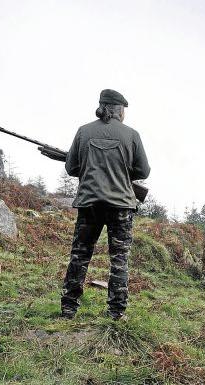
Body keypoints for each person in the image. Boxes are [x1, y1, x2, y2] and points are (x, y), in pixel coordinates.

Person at [60, 89, 150, 320]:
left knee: (79, 255)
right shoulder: (131, 135)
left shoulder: (84, 131)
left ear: (102, 107)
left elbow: (71, 168)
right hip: (120, 206)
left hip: (89, 204)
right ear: (119, 110)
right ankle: (116, 312)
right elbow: (144, 171)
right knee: (119, 260)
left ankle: (69, 308)